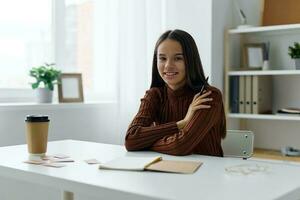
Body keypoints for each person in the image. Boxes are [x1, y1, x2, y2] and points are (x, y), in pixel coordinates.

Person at [125, 29, 226, 156]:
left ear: (190, 61)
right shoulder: (154, 95)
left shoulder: (209, 96)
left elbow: (180, 146)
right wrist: (181, 124)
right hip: (166, 170)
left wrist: (145, 143)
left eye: (178, 58)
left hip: (205, 171)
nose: (168, 66)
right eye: (162, 58)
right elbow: (130, 139)